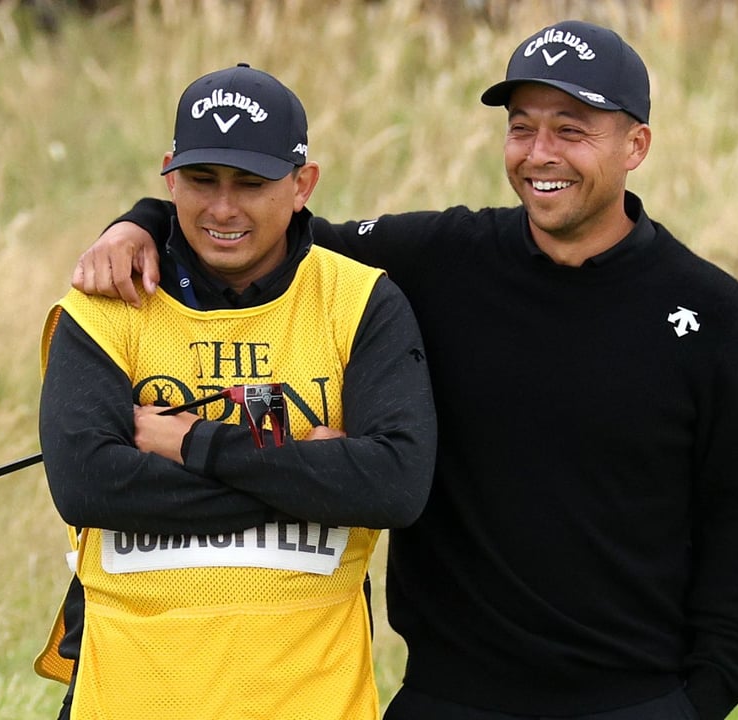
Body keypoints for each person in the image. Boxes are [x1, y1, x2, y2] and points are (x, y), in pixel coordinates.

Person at [73, 21, 738, 720]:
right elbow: (256, 223)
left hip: (632, 700)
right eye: (521, 127)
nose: (540, 154)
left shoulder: (706, 312)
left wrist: (703, 697)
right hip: (449, 697)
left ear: (637, 145)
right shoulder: (438, 260)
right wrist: (140, 223)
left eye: (572, 130)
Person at [34, 63, 436, 720]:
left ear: (303, 184)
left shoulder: (362, 301)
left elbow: (394, 485)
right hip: (129, 700)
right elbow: (85, 485)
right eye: (201, 180)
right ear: (168, 174)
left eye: (251, 184)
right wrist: (313, 478)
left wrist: (187, 442)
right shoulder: (106, 302)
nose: (223, 208)